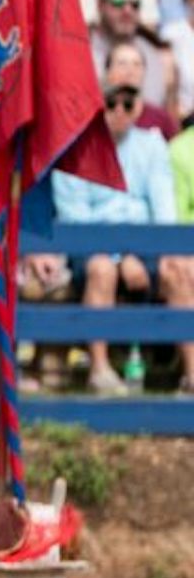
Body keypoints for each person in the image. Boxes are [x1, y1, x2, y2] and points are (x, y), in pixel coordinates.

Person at [48, 80, 194, 395]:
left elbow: (163, 206)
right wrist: (121, 256)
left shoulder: (152, 144)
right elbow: (77, 219)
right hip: (92, 249)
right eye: (111, 102)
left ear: (138, 108)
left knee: (179, 269)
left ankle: (192, 373)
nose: (119, 111)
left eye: (128, 104)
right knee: (102, 268)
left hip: (144, 245)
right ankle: (100, 370)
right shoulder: (75, 150)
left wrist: (153, 252)